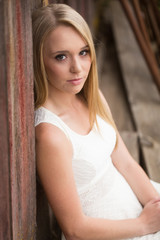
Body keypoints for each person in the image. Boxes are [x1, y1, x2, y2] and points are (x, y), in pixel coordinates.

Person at [32, 3, 160, 240]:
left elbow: (126, 163)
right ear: (39, 61)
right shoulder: (51, 134)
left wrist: (155, 203)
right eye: (61, 57)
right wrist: (144, 225)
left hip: (136, 208)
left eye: (83, 52)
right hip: (112, 232)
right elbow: (74, 229)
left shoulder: (92, 97)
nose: (78, 68)